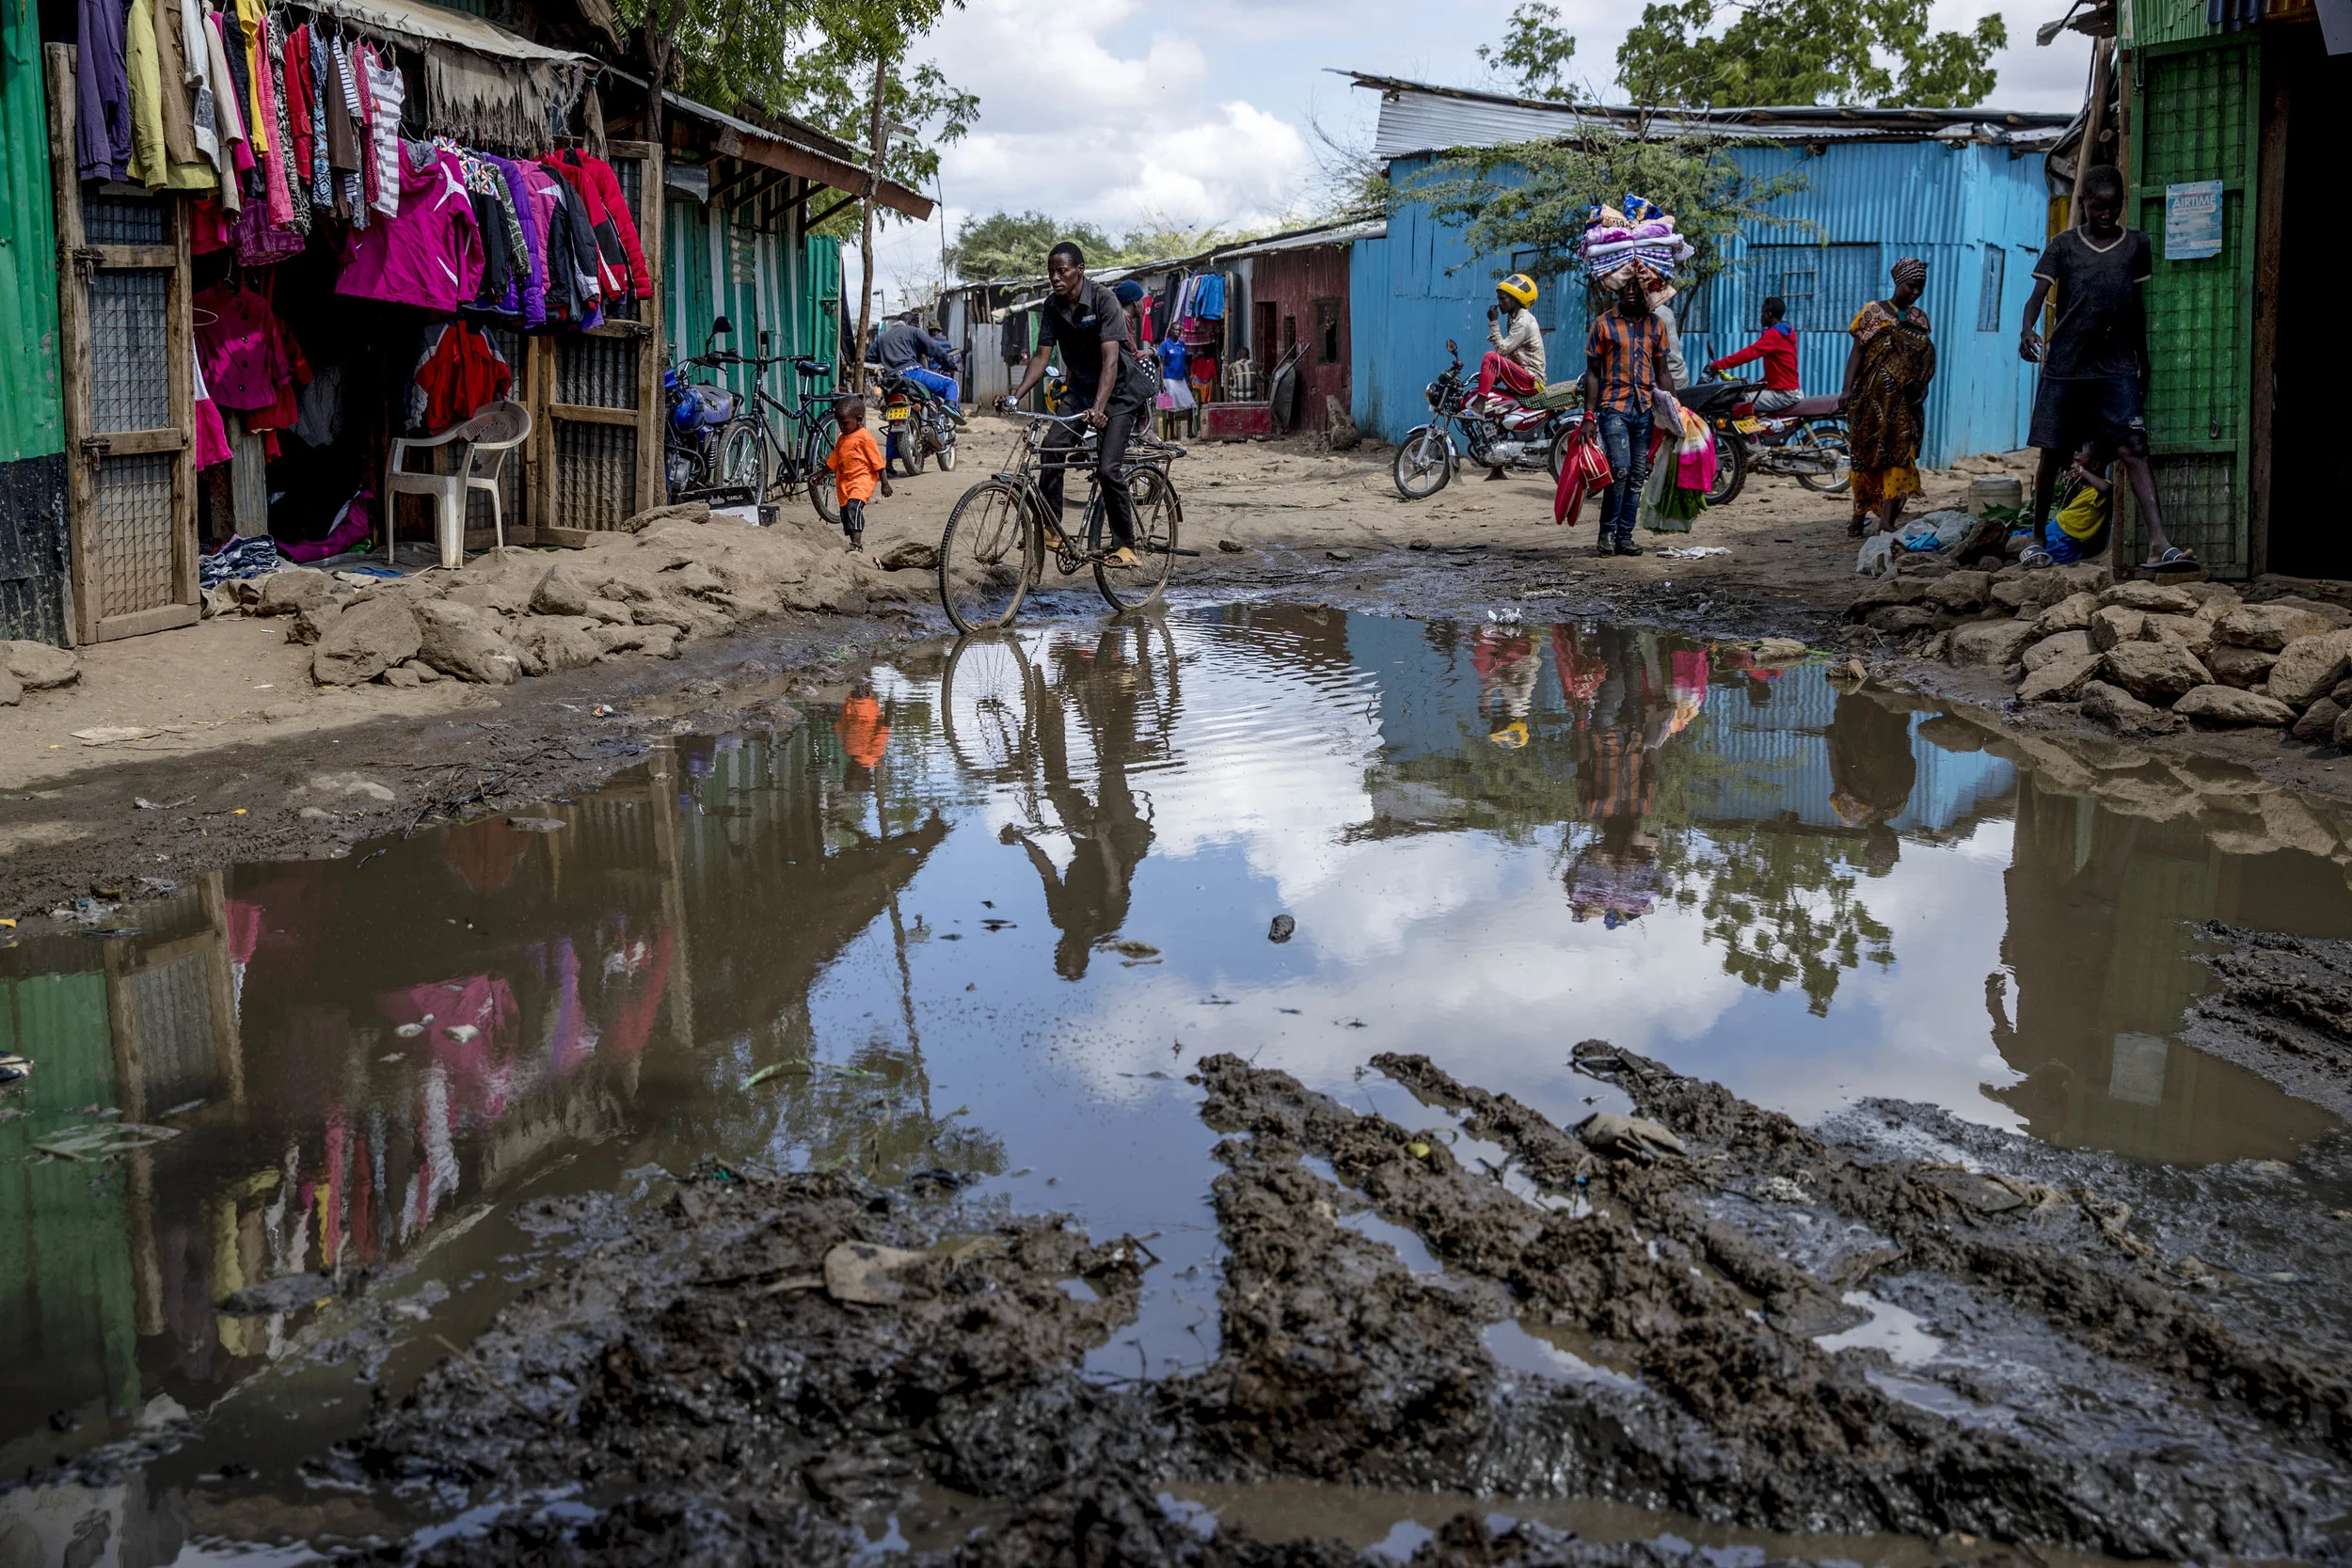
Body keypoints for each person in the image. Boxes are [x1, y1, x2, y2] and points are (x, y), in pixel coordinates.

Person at [2020, 164, 2189, 570]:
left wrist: (2142, 361)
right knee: (2053, 452)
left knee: (2133, 449)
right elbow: (2036, 297)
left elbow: (2137, 309)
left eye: (2112, 208)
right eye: (2097, 208)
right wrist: (2026, 330)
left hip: (2115, 366)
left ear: (2121, 205)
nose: (2105, 215)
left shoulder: (2136, 244)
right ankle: (2037, 537)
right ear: (2083, 204)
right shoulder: (2063, 245)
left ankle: (2159, 544)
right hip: (2066, 364)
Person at [998, 241, 1156, 569]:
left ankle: (1126, 545)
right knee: (1052, 446)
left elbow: (1111, 359)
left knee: (1107, 467)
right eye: (1051, 272)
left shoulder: (1104, 300)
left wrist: (1100, 408)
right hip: (1081, 388)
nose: (1055, 277)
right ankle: (1052, 528)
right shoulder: (1053, 307)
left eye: (1062, 270)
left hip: (1120, 392)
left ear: (1079, 271)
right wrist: (1016, 395)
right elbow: (1042, 357)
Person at [1839, 257, 1936, 539]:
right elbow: (1857, 353)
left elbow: (1923, 361)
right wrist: (1847, 390)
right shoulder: (1872, 312)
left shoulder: (1919, 319)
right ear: (1897, 282)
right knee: (1864, 458)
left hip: (1903, 405)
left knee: (1898, 458)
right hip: (1870, 401)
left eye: (1921, 287)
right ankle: (1858, 518)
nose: (1916, 292)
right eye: (1911, 286)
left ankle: (1885, 521)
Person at [1581, 272, 1675, 559]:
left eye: (1637, 285)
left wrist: (1675, 410)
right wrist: (1588, 415)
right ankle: (1606, 533)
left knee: (1636, 476)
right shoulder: (1603, 324)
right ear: (1616, 288)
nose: (1631, 290)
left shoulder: (1655, 325)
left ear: (1647, 290)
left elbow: (1663, 371)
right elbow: (1593, 373)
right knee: (1618, 470)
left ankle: (1625, 536)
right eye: (1626, 285)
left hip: (1644, 410)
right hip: (1613, 408)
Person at [2021, 443, 2114, 567]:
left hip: (2065, 537)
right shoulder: (2088, 487)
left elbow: (2106, 489)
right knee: (2022, 536)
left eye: (2077, 461)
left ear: (2094, 465)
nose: (2073, 466)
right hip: (2056, 527)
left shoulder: (2100, 488)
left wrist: (2083, 472)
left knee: (2040, 550)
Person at [1708, 295, 1801, 412]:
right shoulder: (1785, 332)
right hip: (1785, 390)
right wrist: (1758, 384)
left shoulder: (1775, 334)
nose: (1761, 317)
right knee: (1747, 393)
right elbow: (1780, 368)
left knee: (1737, 400)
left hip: (1784, 394)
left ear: (1770, 314)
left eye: (1763, 313)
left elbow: (1750, 353)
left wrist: (1718, 364)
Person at [823, 394, 889, 551]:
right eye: (839, 423)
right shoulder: (842, 438)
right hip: (845, 483)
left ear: (859, 420)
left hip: (861, 482)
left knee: (854, 507)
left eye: (844, 423)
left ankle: (857, 544)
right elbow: (834, 459)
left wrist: (885, 483)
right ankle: (853, 542)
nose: (841, 427)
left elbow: (878, 463)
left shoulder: (865, 438)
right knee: (846, 513)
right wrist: (820, 474)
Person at [1477, 273, 1547, 406]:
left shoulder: (1523, 321)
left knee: (1491, 357)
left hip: (1532, 380)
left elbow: (1502, 350)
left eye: (1503, 299)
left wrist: (1493, 322)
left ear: (1516, 300)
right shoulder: (1514, 317)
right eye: (1499, 299)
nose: (1499, 303)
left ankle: (1479, 407)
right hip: (1523, 376)